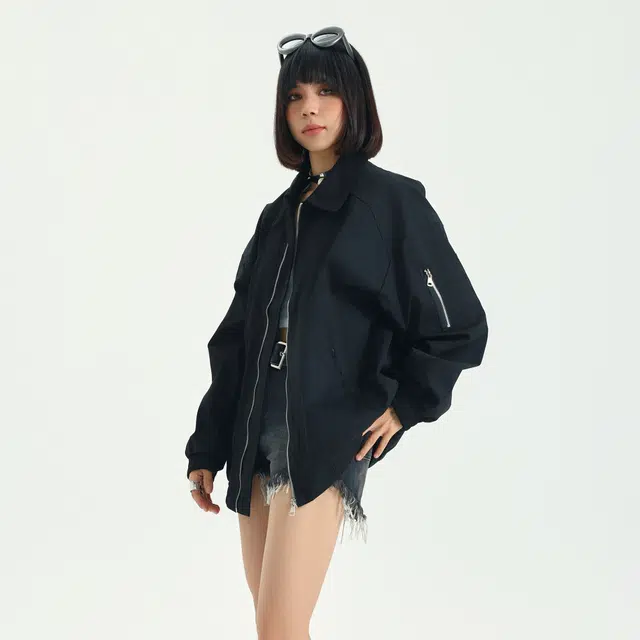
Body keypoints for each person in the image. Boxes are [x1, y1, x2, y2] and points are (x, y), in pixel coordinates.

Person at [185, 26, 489, 639]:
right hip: (254, 434)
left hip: (325, 436)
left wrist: (408, 403)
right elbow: (236, 338)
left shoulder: (390, 203)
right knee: (274, 628)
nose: (310, 109)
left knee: (278, 628)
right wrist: (207, 448)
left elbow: (457, 322)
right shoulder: (278, 216)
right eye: (295, 97)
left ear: (354, 102)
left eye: (326, 92)